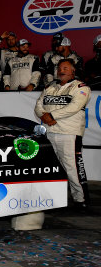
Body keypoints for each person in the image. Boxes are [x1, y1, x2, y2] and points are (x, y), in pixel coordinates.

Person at [35, 59, 91, 211]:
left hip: (69, 133)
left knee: (72, 168)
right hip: (50, 132)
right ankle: (55, 199)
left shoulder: (81, 87)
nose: (61, 71)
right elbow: (39, 105)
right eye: (59, 68)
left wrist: (51, 115)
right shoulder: (50, 87)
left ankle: (81, 200)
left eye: (65, 68)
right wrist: (44, 116)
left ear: (73, 71)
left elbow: (74, 107)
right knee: (52, 168)